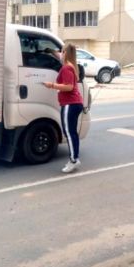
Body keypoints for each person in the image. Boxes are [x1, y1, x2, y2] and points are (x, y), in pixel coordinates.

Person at [43, 43, 84, 173]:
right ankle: (75, 158)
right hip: (74, 104)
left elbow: (68, 87)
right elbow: (59, 56)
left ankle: (74, 160)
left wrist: (52, 85)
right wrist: (50, 51)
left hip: (70, 104)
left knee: (69, 133)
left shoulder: (66, 68)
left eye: (62, 51)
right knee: (71, 133)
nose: (60, 53)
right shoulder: (72, 66)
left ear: (66, 53)